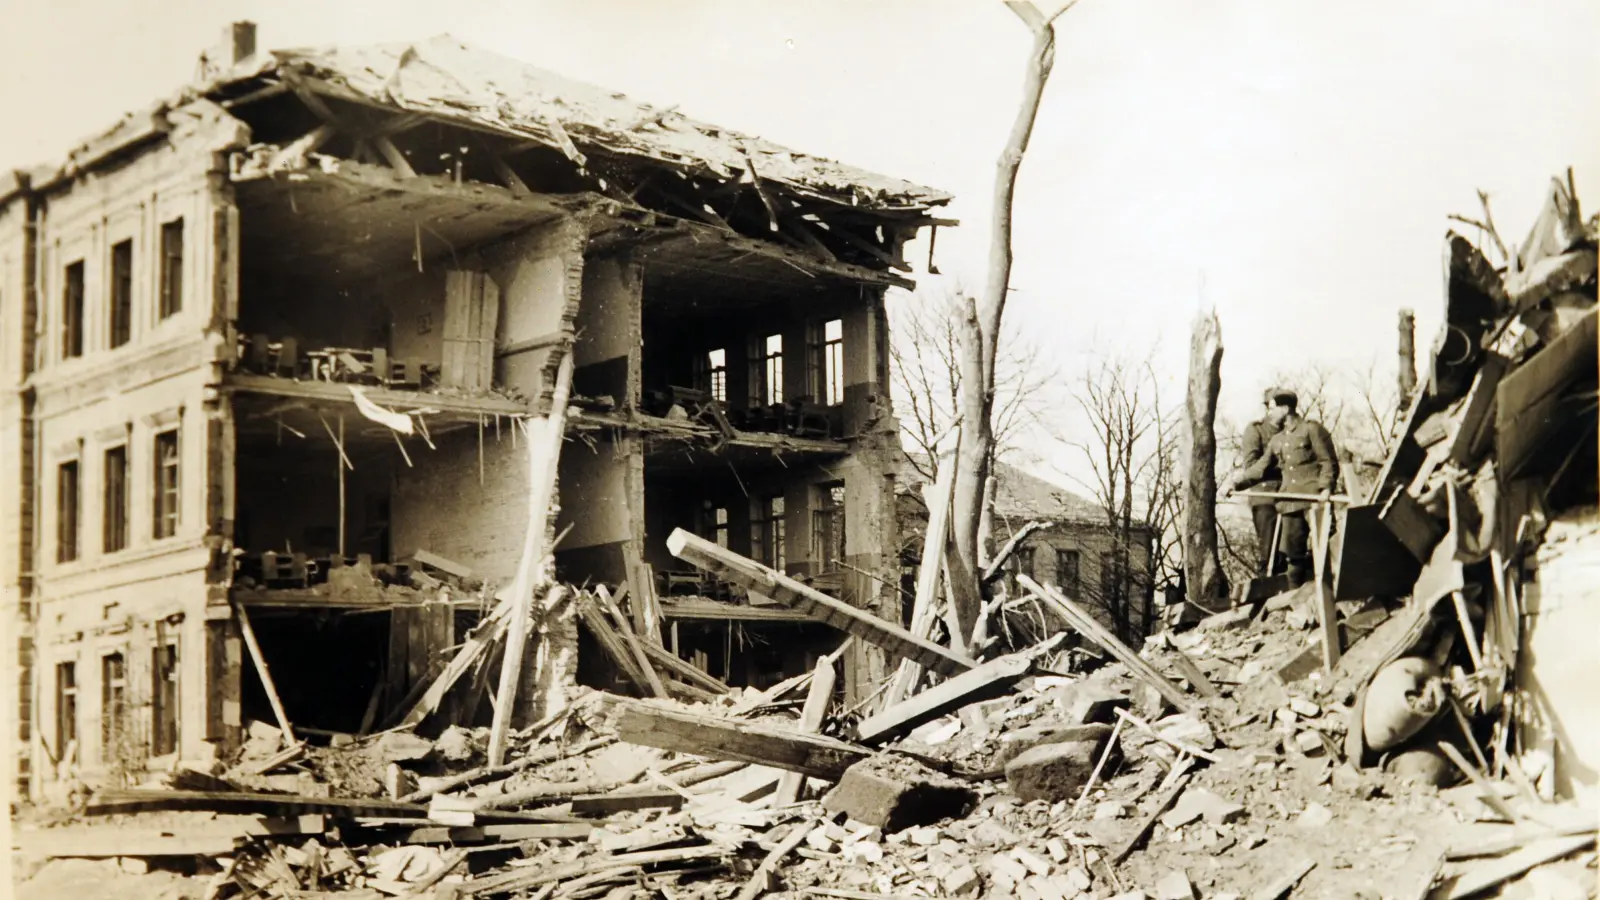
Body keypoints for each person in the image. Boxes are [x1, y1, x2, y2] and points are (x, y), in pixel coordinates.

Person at [1234, 389, 1338, 587]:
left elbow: (1328, 462)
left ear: (1285, 408)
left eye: (1272, 408)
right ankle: (1295, 602)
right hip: (1290, 504)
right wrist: (1238, 483)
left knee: (1325, 548)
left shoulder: (1311, 429)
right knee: (1293, 558)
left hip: (1313, 500)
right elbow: (1260, 468)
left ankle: (1337, 593)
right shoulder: (1277, 440)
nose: (1269, 413)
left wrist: (1325, 488)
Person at [1238, 387, 1286, 575]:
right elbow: (1251, 466)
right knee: (1271, 551)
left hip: (1290, 493)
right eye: (1276, 405)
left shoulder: (1291, 431)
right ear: (1268, 408)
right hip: (1265, 495)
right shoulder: (1256, 429)